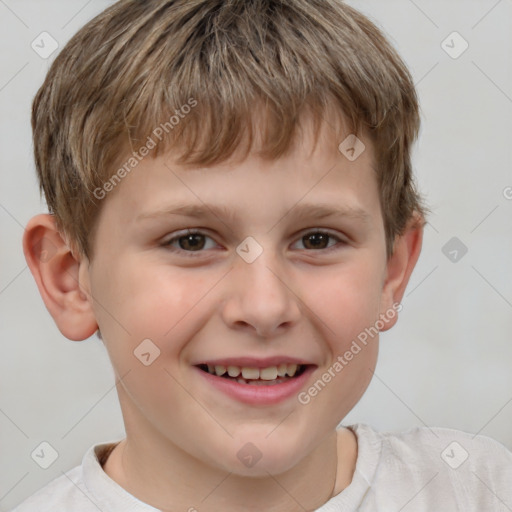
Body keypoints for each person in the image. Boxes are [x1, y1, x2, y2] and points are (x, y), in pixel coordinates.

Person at [14, 0, 512, 510]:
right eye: (192, 241)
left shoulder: (478, 491)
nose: (265, 307)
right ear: (70, 279)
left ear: (393, 270)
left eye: (317, 240)